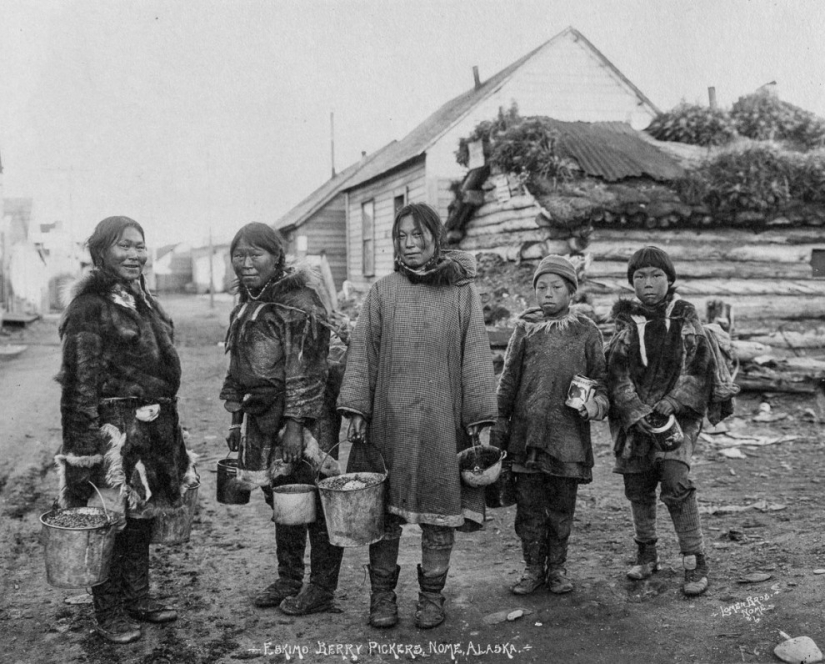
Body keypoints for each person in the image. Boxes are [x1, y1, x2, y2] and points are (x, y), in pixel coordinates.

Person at [337, 203, 497, 629]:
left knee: (438, 511)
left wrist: (480, 417)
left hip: (442, 423)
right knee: (384, 515)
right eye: (401, 236)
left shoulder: (462, 293)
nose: (409, 244)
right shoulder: (383, 292)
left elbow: (477, 358)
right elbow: (362, 353)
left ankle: (431, 597)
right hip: (389, 422)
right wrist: (356, 407)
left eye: (418, 235)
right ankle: (382, 598)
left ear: (436, 238)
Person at [56, 216, 198, 644]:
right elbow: (79, 383)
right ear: (101, 251)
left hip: (151, 432)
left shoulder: (142, 300)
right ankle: (109, 610)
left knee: (140, 518)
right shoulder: (89, 307)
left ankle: (138, 596)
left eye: (140, 245)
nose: (135, 254)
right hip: (113, 435)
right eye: (124, 246)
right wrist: (86, 449)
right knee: (108, 520)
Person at [220, 222, 343, 616]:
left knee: (315, 501)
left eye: (256, 254)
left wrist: (296, 425)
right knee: (282, 499)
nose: (246, 262)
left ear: (277, 257)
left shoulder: (300, 303)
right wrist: (236, 421)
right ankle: (289, 578)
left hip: (303, 421)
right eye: (239, 254)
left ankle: (321, 588)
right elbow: (238, 364)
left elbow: (307, 367)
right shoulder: (248, 301)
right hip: (262, 417)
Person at [494, 255, 608, 595]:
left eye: (556, 287)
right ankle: (532, 568)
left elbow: (601, 381)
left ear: (571, 292)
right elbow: (508, 381)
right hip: (526, 437)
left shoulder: (587, 332)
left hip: (567, 438)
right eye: (541, 287)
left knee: (561, 506)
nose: (547, 294)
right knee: (528, 506)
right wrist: (500, 427)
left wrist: (594, 405)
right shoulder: (525, 329)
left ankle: (557, 568)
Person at [606, 246, 713, 596]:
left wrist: (673, 400)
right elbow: (616, 372)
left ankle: (694, 559)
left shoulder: (684, 318)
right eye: (639, 276)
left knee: (675, 480)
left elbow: (698, 367)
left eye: (655, 275)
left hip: (675, 419)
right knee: (637, 485)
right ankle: (647, 553)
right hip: (636, 421)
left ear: (670, 279)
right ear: (631, 282)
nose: (648, 283)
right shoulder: (625, 323)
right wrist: (634, 409)